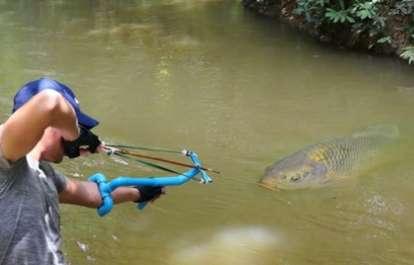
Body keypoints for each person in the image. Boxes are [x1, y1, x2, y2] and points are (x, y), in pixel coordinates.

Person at [0, 77, 164, 265]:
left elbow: (92, 195)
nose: (76, 138)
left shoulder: (44, 174)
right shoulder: (6, 160)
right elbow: (50, 103)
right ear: (49, 124)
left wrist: (139, 192)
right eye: (73, 125)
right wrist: (76, 135)